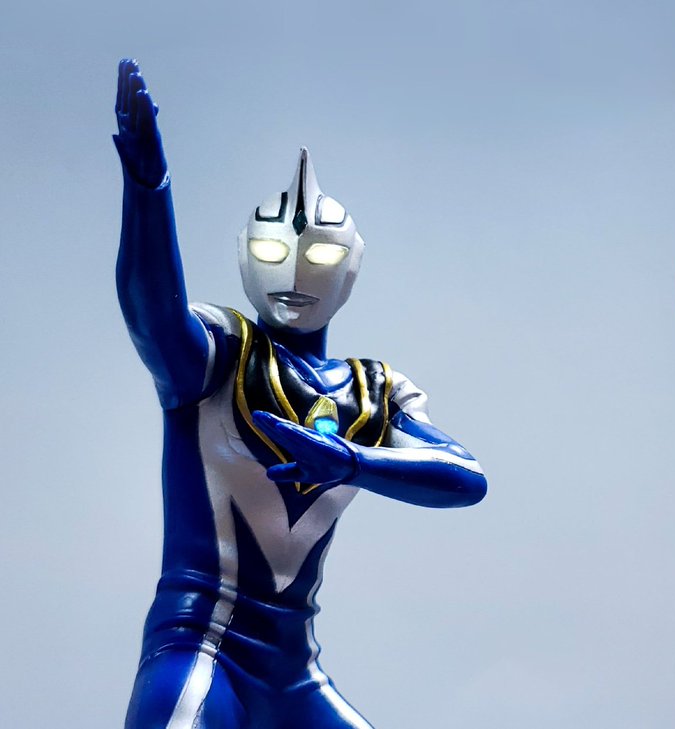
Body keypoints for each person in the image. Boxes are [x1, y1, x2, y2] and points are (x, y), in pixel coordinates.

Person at [114, 59, 487, 729]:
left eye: (319, 256)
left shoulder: (376, 391)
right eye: (272, 251)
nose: (292, 270)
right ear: (245, 253)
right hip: (200, 648)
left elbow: (465, 476)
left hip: (293, 674)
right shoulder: (222, 352)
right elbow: (153, 316)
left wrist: (353, 461)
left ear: (350, 266)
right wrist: (147, 193)